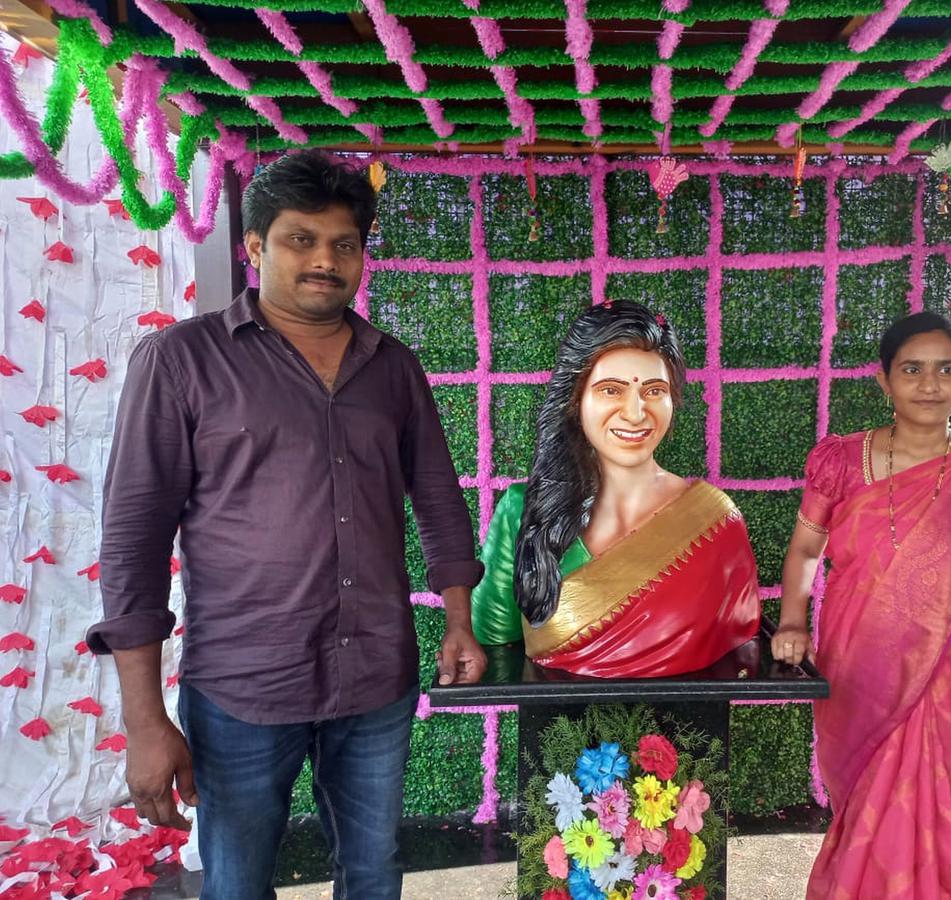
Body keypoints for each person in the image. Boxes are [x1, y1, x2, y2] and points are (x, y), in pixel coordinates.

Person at [86, 151, 486, 900]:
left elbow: (436, 496)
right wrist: (144, 721)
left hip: (375, 679)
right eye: (301, 239)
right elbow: (134, 540)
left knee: (371, 875)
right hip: (242, 685)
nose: (325, 261)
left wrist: (459, 621)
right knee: (237, 885)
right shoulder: (182, 362)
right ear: (255, 247)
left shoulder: (393, 367)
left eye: (344, 244)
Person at [773, 311, 951, 899]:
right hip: (863, 668)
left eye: (945, 370)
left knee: (945, 820)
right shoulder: (840, 461)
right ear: (884, 381)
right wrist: (792, 621)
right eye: (912, 369)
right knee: (868, 815)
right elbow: (806, 549)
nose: (929, 384)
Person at [471, 301, 761, 677]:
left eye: (654, 391)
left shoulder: (715, 521)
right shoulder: (523, 510)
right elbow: (495, 643)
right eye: (611, 390)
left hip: (688, 728)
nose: (636, 412)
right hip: (560, 728)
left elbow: (739, 641)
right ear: (575, 400)